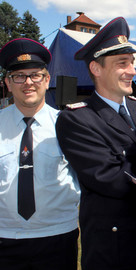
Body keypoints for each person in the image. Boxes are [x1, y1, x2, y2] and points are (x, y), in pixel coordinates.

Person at [55, 17, 136, 270]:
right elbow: (112, 179)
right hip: (116, 248)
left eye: (132, 63)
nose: (132, 71)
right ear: (96, 68)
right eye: (122, 63)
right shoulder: (77, 119)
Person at [0, 38, 80, 269]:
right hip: (4, 237)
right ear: (8, 82)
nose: (28, 82)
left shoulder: (70, 125)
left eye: (35, 75)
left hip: (57, 237)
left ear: (47, 80)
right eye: (19, 76)